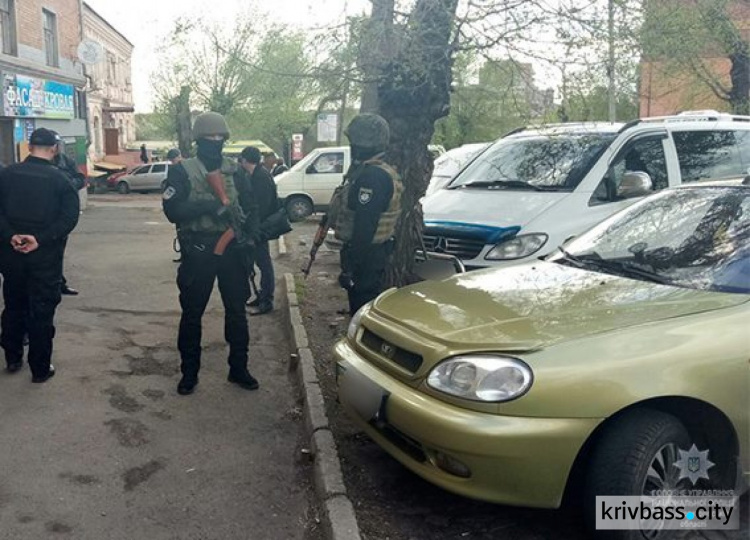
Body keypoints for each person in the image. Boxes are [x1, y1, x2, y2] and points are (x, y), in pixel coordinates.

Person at [162, 112, 260, 396]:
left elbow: (252, 206)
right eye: (209, 138)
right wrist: (208, 206)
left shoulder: (235, 171)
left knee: (237, 312)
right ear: (198, 141)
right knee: (192, 313)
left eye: (220, 138)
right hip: (199, 248)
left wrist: (251, 236)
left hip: (232, 250)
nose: (215, 142)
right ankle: (189, 372)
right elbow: (172, 211)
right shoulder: (182, 170)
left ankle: (238, 368)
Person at [0, 128, 80, 383]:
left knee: (13, 306)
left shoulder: (7, 175)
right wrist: (41, 239)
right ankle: (40, 369)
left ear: (29, 146)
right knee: (42, 311)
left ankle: (13, 358)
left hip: (11, 255)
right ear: (54, 149)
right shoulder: (59, 180)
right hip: (44, 258)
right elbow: (69, 218)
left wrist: (10, 235)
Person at [330, 114, 403, 315]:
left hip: (367, 258)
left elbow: (365, 225)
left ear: (362, 144)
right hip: (371, 255)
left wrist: (351, 268)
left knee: (362, 311)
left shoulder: (372, 177)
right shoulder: (374, 171)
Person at [240, 147, 279, 316]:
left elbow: (260, 207)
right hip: (259, 227)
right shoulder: (258, 174)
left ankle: (266, 300)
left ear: (244, 160)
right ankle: (262, 295)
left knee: (264, 264)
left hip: (260, 228)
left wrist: (253, 229)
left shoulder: (260, 177)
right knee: (261, 262)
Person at [51, 131, 85, 296]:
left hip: (61, 213)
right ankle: (52, 283)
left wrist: (68, 185)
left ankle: (59, 283)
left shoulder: (67, 162)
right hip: (42, 213)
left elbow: (81, 178)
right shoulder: (38, 165)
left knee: (58, 251)